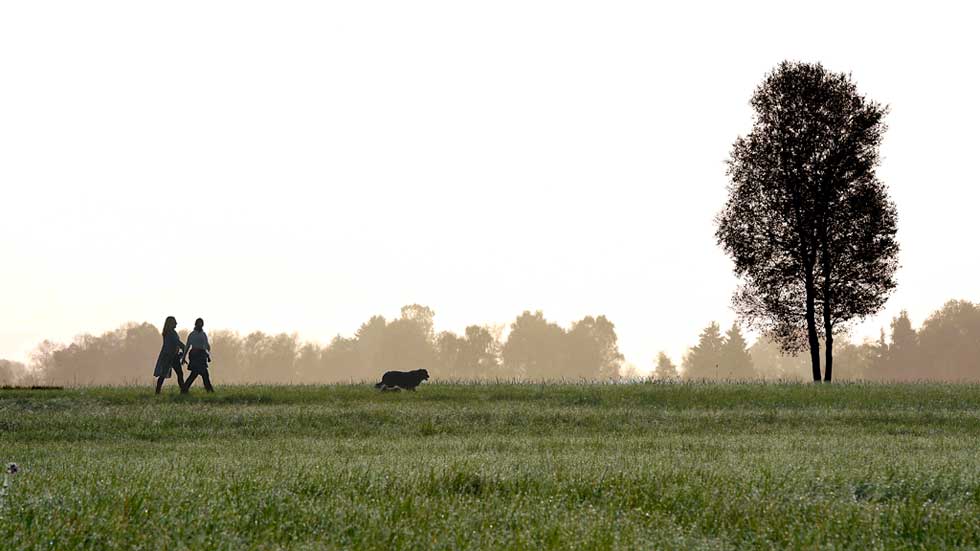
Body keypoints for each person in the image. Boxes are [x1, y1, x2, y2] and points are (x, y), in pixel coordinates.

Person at [154, 316, 186, 394]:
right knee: (177, 374)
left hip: (171, 356)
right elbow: (177, 342)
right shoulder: (171, 333)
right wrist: (184, 348)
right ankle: (183, 391)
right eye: (174, 322)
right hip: (169, 356)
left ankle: (157, 392)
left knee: (165, 375)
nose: (176, 323)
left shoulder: (169, 332)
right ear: (171, 323)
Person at [181, 317, 214, 393]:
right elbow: (187, 346)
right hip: (196, 356)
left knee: (195, 374)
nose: (200, 325)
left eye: (201, 324)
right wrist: (183, 357)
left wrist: (208, 354)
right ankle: (209, 390)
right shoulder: (193, 334)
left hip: (200, 356)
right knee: (203, 374)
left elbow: (206, 346)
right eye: (199, 324)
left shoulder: (202, 334)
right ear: (196, 324)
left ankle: (184, 389)